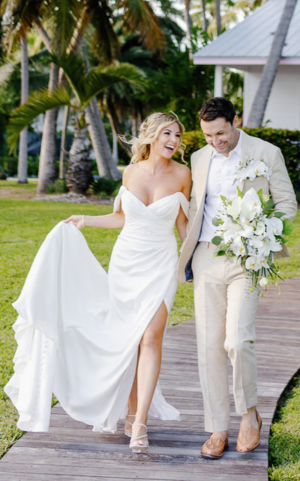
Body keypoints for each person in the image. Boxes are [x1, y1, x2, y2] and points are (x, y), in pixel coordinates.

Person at [5, 112, 191, 453]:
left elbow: (183, 226)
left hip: (161, 264)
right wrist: (84, 219)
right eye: (168, 133)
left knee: (150, 337)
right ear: (151, 135)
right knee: (129, 339)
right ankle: (131, 407)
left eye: (178, 135)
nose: (174, 140)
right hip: (126, 264)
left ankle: (140, 422)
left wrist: (192, 262)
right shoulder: (131, 172)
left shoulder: (183, 174)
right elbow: (122, 217)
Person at [178, 97, 297, 459]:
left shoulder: (266, 152)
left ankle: (249, 414)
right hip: (206, 256)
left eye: (221, 132)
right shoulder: (199, 159)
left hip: (249, 257)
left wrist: (265, 238)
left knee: (237, 339)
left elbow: (287, 204)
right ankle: (217, 427)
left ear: (235, 122)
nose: (216, 141)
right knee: (209, 345)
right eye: (209, 135)